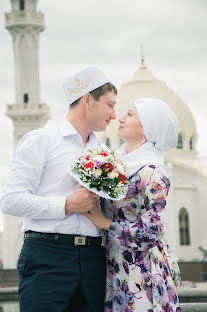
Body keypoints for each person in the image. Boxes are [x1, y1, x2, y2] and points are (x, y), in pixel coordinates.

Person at [0, 66, 117, 312]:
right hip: (47, 257)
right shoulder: (41, 140)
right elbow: (10, 200)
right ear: (87, 100)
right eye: (109, 105)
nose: (114, 115)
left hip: (93, 260)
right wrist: (67, 205)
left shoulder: (106, 154)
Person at [82, 98, 182, 311]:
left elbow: (152, 232)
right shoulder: (119, 165)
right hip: (117, 268)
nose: (120, 118)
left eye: (129, 115)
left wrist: (105, 223)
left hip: (142, 275)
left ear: (146, 128)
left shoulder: (151, 172)